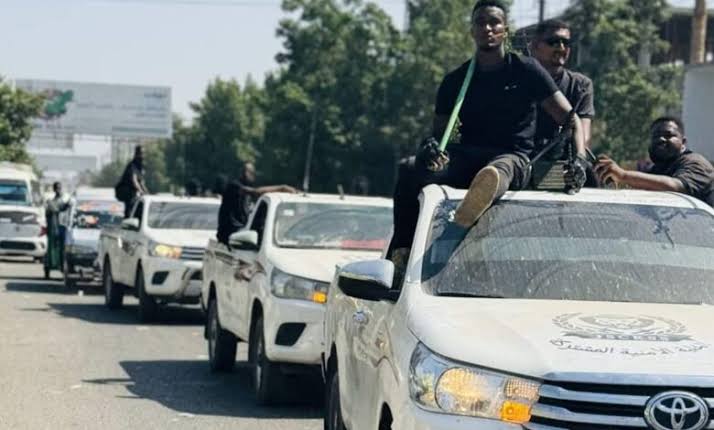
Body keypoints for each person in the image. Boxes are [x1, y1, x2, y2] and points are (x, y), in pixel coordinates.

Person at [389, 0, 586, 266]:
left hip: (513, 159)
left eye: (494, 22)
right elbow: (440, 138)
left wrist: (579, 160)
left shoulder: (527, 70)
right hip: (466, 158)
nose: (487, 28)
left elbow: (571, 119)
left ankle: (469, 212)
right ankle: (401, 255)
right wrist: (430, 150)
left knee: (496, 171)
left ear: (505, 29)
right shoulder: (455, 80)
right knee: (409, 168)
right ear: (472, 31)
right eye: (480, 23)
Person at [596, 117, 714, 206]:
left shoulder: (696, 163)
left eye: (668, 135)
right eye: (655, 136)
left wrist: (623, 175)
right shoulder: (657, 170)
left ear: (683, 142)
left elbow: (675, 186)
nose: (661, 139)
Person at [530, 19, 596, 158]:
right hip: (523, 158)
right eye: (554, 42)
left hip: (564, 161)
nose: (561, 48)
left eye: (566, 43)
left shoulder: (580, 85)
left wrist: (580, 157)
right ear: (535, 46)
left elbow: (584, 134)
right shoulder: (519, 79)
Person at [216, 162, 298, 247]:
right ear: (242, 172)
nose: (252, 175)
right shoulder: (234, 185)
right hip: (229, 234)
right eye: (250, 172)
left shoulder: (245, 189)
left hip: (240, 231)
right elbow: (255, 192)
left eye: (252, 172)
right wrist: (282, 188)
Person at [44, 182, 70, 279]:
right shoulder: (51, 202)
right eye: (57, 188)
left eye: (60, 188)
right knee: (51, 250)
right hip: (53, 230)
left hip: (63, 230)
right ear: (54, 189)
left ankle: (63, 268)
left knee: (62, 250)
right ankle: (48, 267)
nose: (59, 190)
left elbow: (65, 210)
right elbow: (52, 211)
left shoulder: (64, 202)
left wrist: (67, 205)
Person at [115, 146, 149, 217]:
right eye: (141, 153)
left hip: (133, 192)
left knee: (138, 206)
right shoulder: (132, 165)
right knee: (130, 205)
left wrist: (147, 193)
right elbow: (134, 180)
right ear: (136, 154)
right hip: (125, 191)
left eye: (144, 153)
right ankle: (128, 218)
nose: (142, 155)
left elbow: (142, 182)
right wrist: (141, 191)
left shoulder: (141, 167)